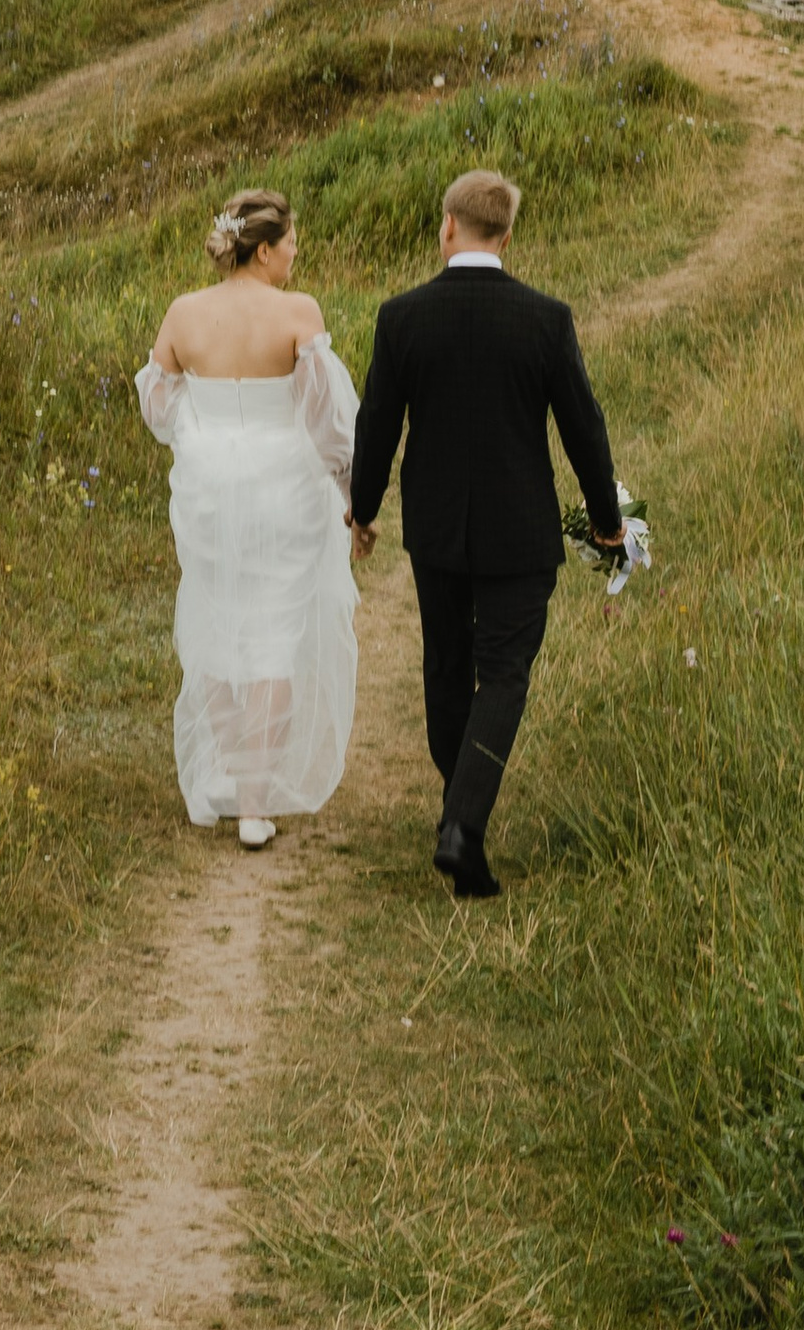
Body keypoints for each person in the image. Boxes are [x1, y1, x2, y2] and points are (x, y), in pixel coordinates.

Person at [346, 169, 623, 901]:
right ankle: (462, 828)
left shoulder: (403, 316)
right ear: (506, 236)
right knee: (503, 675)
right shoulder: (545, 318)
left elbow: (378, 423)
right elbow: (584, 426)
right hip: (519, 531)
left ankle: (457, 813)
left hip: (437, 529)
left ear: (448, 227)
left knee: (446, 665)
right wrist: (606, 519)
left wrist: (363, 510)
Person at [135, 189, 359, 848]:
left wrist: (202, 430)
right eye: (290, 243)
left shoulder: (184, 312)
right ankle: (255, 806)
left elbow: (156, 404)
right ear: (263, 251)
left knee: (215, 621)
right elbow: (326, 420)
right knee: (275, 634)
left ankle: (224, 777)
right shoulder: (297, 312)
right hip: (283, 489)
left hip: (208, 489)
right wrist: (350, 490)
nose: (295, 253)